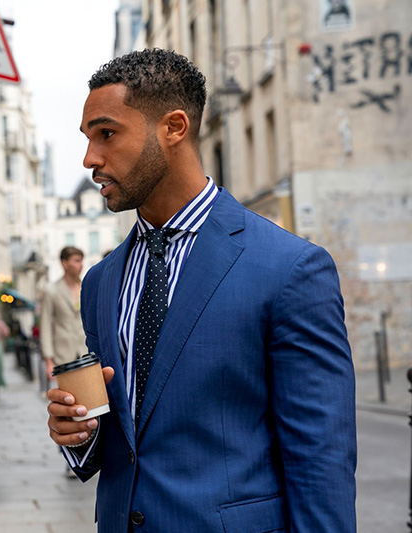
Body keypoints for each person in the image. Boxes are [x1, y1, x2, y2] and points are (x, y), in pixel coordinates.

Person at [46, 49, 356, 532]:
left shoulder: (289, 268)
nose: (90, 159)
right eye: (87, 139)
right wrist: (79, 434)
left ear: (173, 128)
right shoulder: (100, 282)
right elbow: (130, 436)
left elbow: (321, 461)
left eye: (106, 134)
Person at [40, 246, 86, 380]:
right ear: (64, 264)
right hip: (63, 356)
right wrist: (49, 361)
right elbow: (46, 325)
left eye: (81, 261)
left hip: (87, 352)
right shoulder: (51, 290)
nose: (81, 265)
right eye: (76, 261)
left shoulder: (87, 287)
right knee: (69, 398)